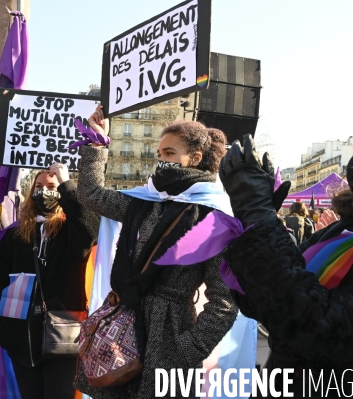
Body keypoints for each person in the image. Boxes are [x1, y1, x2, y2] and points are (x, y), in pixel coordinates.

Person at [218, 99, 353, 397]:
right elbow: (268, 305)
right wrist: (257, 227)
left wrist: (260, 221)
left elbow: (317, 326)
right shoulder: (346, 227)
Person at [73, 106, 238, 399]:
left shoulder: (214, 218)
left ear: (195, 158)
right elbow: (91, 195)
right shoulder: (144, 201)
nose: (161, 162)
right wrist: (97, 144)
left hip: (169, 333)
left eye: (170, 153)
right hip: (121, 328)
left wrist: (185, 349)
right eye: (160, 154)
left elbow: (224, 300)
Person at [0, 163, 99, 399]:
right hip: (22, 336)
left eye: (52, 187)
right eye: (39, 186)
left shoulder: (72, 232)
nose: (45, 191)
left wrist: (68, 185)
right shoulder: (15, 236)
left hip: (64, 337)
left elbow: (90, 232)